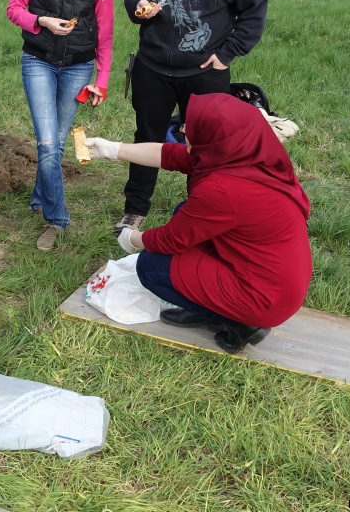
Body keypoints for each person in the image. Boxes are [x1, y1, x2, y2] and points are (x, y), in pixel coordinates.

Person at [84, 93, 311, 353]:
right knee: (184, 211)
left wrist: (132, 238)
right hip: (277, 278)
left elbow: (171, 240)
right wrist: (112, 149)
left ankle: (239, 323)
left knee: (150, 266)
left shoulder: (223, 189)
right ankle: (214, 303)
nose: (182, 130)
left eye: (189, 127)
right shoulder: (246, 155)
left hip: (263, 297)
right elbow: (169, 155)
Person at [116, 0, 268, 237]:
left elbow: (254, 9)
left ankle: (200, 212)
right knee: (147, 136)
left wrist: (227, 53)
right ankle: (135, 210)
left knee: (205, 147)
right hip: (153, 68)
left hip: (204, 72)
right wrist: (138, 6)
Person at [6, 0, 115, 251]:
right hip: (38, 60)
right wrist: (41, 21)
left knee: (57, 142)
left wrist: (102, 79)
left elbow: (105, 26)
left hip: (79, 66)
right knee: (49, 143)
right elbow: (14, 7)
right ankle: (57, 219)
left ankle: (39, 198)